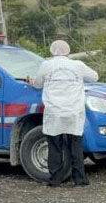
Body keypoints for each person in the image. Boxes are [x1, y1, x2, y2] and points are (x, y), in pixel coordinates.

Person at [30, 40, 98, 187]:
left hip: (54, 112)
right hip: (74, 111)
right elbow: (95, 77)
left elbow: (37, 84)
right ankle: (79, 179)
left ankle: (55, 179)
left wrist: (31, 80)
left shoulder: (46, 65)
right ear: (68, 51)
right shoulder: (77, 65)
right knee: (75, 145)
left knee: (54, 145)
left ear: (52, 51)